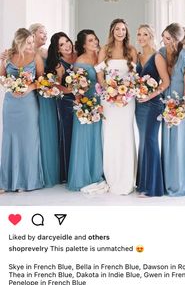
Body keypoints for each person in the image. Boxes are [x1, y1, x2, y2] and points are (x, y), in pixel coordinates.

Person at [96, 19, 137, 195]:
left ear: (126, 32)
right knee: (110, 134)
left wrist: (125, 92)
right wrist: (108, 89)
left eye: (123, 29)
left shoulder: (132, 50)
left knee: (126, 134)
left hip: (127, 100)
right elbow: (99, 73)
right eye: (117, 29)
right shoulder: (105, 50)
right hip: (109, 99)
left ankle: (128, 177)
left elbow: (134, 76)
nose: (120, 32)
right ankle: (112, 175)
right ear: (112, 31)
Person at [0, 28, 44, 191]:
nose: (32, 46)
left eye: (33, 42)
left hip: (28, 104)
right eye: (28, 43)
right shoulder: (8, 56)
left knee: (29, 140)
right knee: (10, 140)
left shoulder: (36, 57)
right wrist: (10, 86)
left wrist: (28, 88)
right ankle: (8, 181)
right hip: (11, 104)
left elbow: (42, 81)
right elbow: (2, 77)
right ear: (19, 42)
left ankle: (27, 181)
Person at [68, 29, 107, 193]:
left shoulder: (100, 56)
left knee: (97, 137)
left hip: (99, 102)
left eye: (95, 39)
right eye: (90, 40)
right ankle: (82, 176)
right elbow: (77, 87)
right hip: (85, 103)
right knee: (84, 138)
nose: (95, 42)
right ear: (83, 45)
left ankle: (96, 173)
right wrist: (82, 105)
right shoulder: (80, 61)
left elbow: (104, 78)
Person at [158, 23, 185, 196]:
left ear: (176, 39)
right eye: (163, 37)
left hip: (180, 103)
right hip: (166, 101)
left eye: (167, 38)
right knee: (168, 141)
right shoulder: (163, 52)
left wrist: (184, 106)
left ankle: (180, 183)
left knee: (180, 142)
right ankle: (167, 181)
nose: (163, 41)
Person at [135, 25, 170, 196]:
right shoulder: (137, 56)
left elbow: (166, 82)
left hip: (153, 104)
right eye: (139, 34)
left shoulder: (157, 56)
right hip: (139, 105)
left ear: (151, 36)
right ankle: (143, 183)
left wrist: (150, 96)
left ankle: (153, 187)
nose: (141, 37)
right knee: (143, 141)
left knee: (150, 140)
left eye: (145, 34)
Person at [29, 24, 60, 188]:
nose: (45, 35)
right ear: (33, 34)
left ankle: (49, 172)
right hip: (31, 96)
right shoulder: (27, 52)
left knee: (47, 131)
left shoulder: (46, 52)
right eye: (42, 32)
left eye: (46, 33)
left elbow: (52, 71)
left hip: (46, 96)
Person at [46, 32, 77, 182]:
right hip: (66, 102)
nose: (67, 46)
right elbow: (56, 85)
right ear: (58, 49)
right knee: (69, 134)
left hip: (82, 99)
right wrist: (72, 90)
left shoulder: (78, 56)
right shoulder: (59, 64)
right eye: (62, 45)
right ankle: (67, 172)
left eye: (67, 41)